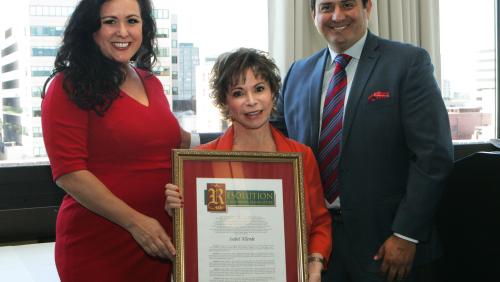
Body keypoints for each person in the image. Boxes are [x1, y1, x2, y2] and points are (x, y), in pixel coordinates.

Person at [271, 0, 454, 282]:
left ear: (368, 8)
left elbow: (433, 155)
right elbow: (273, 146)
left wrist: (406, 233)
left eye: (347, 5)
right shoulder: (298, 73)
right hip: (317, 249)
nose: (337, 16)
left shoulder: (407, 63)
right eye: (326, 7)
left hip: (388, 246)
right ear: (313, 14)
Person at [41, 0, 191, 280]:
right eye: (110, 21)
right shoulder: (67, 86)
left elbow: (172, 144)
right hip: (99, 246)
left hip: (158, 244)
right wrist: (137, 224)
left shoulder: (151, 82)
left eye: (132, 21)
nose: (123, 31)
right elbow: (69, 174)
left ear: (144, 27)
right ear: (91, 28)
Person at [164, 48, 332, 282]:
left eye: (260, 89)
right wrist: (176, 210)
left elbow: (320, 223)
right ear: (225, 101)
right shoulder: (199, 163)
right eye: (239, 93)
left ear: (273, 93)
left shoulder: (301, 156)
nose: (251, 101)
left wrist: (314, 264)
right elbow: (193, 237)